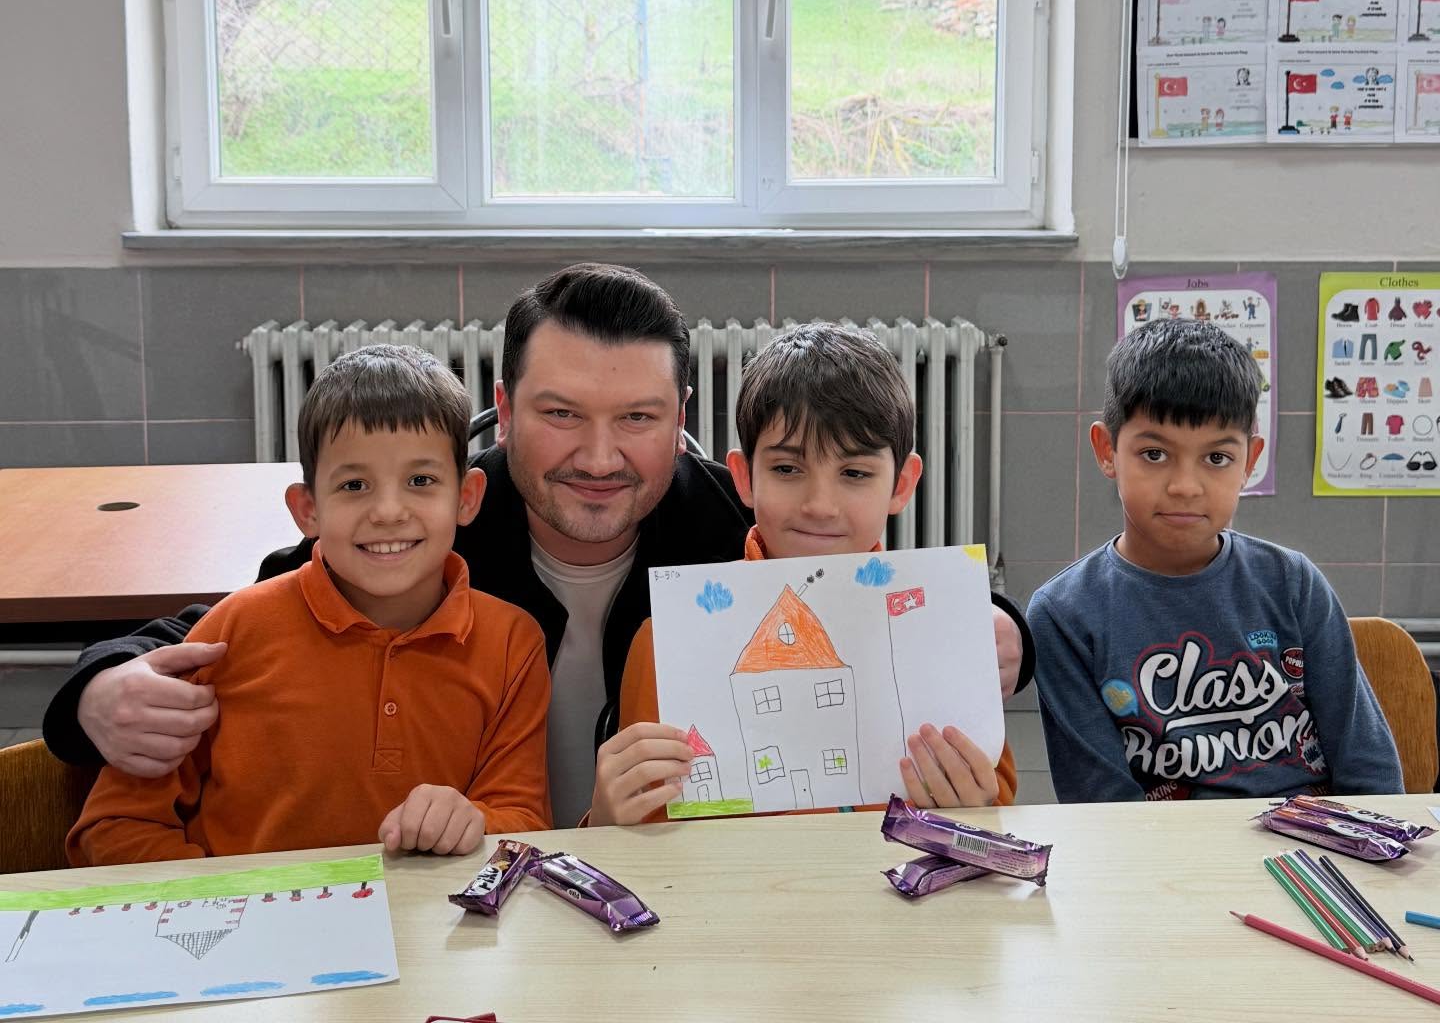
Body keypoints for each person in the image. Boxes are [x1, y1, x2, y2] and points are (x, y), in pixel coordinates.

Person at [44, 265, 1033, 828]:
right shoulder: (432, 522)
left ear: (681, 419)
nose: (600, 458)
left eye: (637, 418)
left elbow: (870, 594)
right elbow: (233, 622)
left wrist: (1007, 634)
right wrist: (96, 689)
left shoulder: (721, 522)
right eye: (561, 415)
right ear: (506, 410)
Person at [67, 345, 551, 863]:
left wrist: (474, 822)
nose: (389, 511)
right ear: (307, 510)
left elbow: (525, 823)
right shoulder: (232, 634)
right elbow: (116, 827)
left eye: (420, 481)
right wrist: (223, 901)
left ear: (467, 497)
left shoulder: (512, 643)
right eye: (354, 485)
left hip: (426, 916)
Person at [590, 323, 1018, 826]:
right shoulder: (665, 643)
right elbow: (644, 829)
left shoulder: (942, 637)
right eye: (788, 469)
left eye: (854, 473)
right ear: (745, 477)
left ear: (901, 485)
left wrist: (977, 810)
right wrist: (606, 820)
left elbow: (996, 807)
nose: (820, 505)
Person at [1026, 319, 1401, 803]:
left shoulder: (1292, 582)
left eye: (1217, 458)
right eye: (1154, 454)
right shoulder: (1063, 615)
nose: (1185, 486)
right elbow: (1101, 804)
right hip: (1154, 846)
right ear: (1107, 451)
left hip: (1310, 836)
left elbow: (1369, 769)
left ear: (1250, 461)